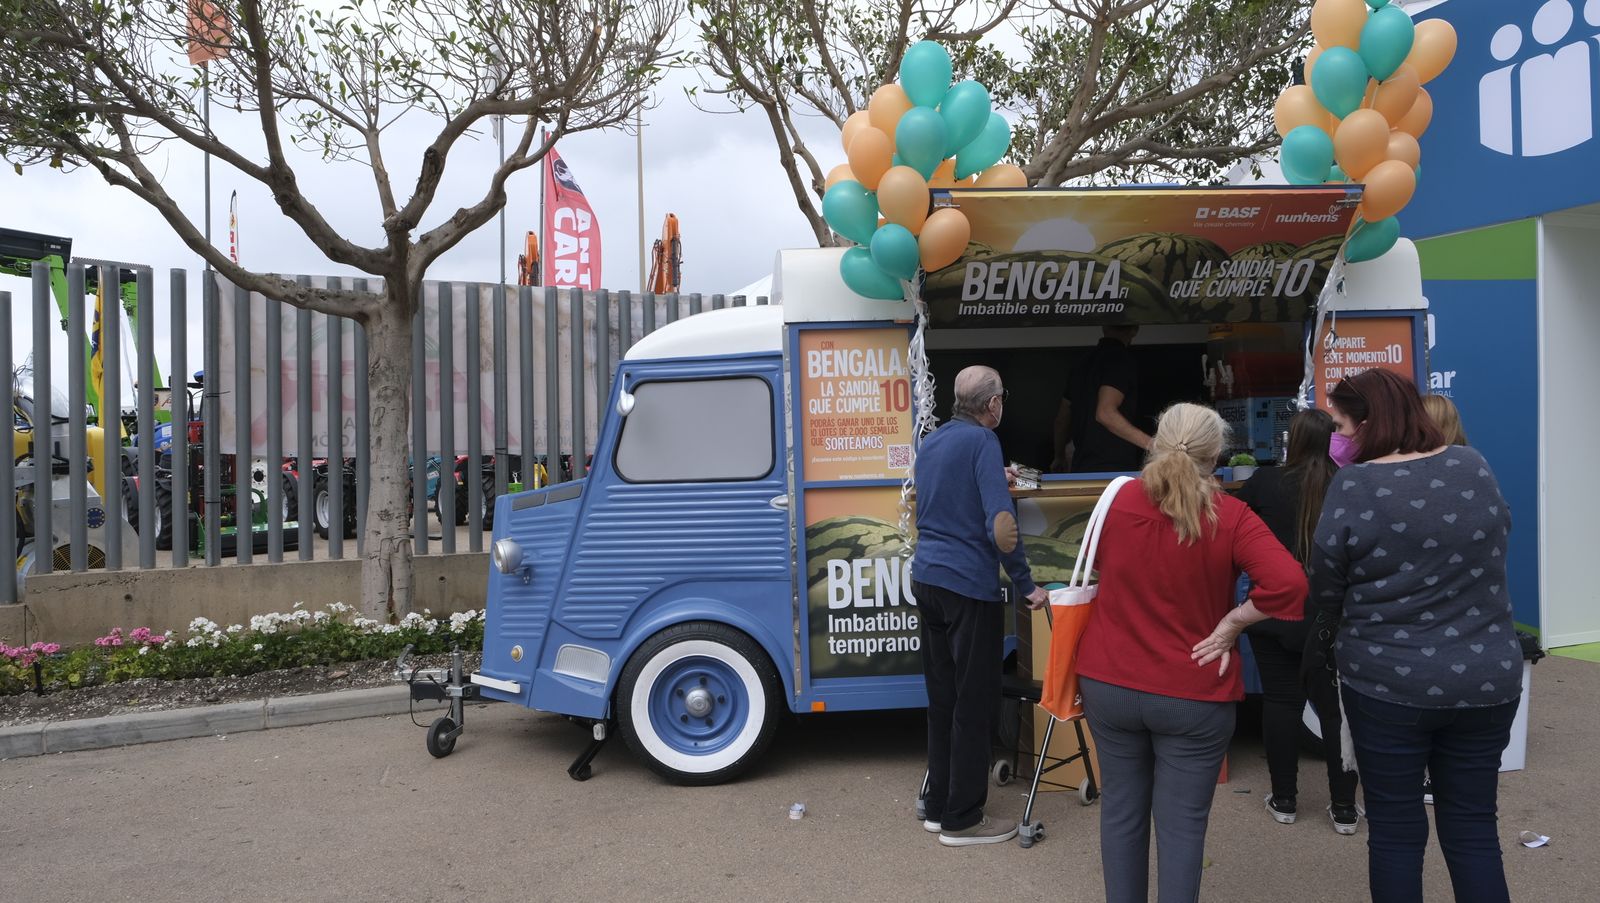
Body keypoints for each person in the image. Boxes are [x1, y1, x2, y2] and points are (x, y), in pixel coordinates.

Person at [1075, 403, 1307, 902]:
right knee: (1181, 829)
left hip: (1110, 681)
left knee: (1120, 813)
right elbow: (1289, 584)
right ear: (1217, 454)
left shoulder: (1114, 500)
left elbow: (1093, 569)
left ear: (1156, 442)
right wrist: (1232, 623)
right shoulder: (1232, 516)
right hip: (1194, 689)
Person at [1305, 368, 1520, 903]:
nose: (1341, 437)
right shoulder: (1473, 465)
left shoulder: (1355, 485)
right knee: (1474, 829)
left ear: (1370, 421)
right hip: (1487, 675)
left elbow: (1325, 583)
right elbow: (1499, 538)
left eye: (1343, 424)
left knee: (1397, 832)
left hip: (1386, 684)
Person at [911, 366, 1050, 847]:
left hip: (927, 579)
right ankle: (963, 820)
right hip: (968, 586)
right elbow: (1002, 527)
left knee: (943, 700)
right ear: (992, 405)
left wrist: (994, 479)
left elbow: (945, 501)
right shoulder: (984, 444)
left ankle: (938, 805)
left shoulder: (932, 442)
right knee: (974, 702)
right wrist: (1028, 584)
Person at [1234, 410, 1361, 834]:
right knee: (1335, 708)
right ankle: (1345, 807)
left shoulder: (1263, 482)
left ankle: (1285, 799)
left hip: (1272, 610)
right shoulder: (1349, 484)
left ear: (1293, 440)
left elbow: (1231, 534)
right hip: (1332, 615)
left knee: (1281, 701)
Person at [1052, 325, 1154, 473]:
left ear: (1103, 327)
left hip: (1081, 468)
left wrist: (1059, 456)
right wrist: (1153, 445)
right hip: (1114, 469)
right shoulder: (1121, 360)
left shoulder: (1081, 363)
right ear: (1135, 330)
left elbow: (1062, 419)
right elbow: (1105, 413)